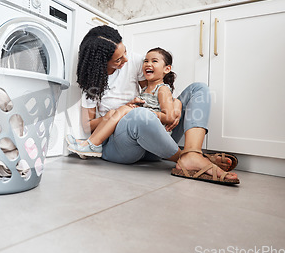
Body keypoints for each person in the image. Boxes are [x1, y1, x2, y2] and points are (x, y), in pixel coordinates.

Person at [67, 25, 239, 185]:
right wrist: (120, 111)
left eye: (125, 51)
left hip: (153, 141)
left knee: (198, 89)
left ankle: (192, 153)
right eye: (118, 60)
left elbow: (154, 93)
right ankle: (190, 158)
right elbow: (88, 126)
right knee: (138, 115)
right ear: (102, 63)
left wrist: (176, 104)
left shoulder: (134, 61)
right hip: (122, 147)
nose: (126, 59)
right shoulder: (92, 83)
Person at [68, 47, 178, 157]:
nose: (148, 64)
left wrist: (149, 114)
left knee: (124, 109)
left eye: (154, 61)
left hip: (158, 135)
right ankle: (89, 143)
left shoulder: (162, 89)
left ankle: (93, 145)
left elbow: (169, 117)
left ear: (167, 69)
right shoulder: (144, 90)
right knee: (112, 113)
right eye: (146, 61)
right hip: (143, 131)